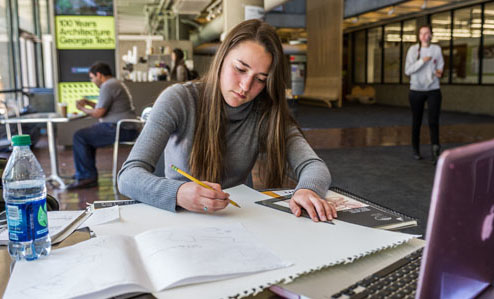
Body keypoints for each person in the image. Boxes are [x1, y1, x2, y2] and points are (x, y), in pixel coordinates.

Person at [118, 19, 337, 223]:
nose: (245, 86)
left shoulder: (265, 111)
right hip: (183, 217)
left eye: (260, 79)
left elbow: (313, 165)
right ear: (222, 59)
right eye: (240, 69)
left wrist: (308, 189)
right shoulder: (179, 99)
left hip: (239, 216)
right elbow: (128, 176)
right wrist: (177, 192)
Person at [66, 62, 138, 189]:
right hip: (126, 127)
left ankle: (87, 176)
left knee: (80, 136)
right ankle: (85, 174)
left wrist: (81, 108)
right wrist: (88, 103)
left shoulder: (108, 86)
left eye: (92, 78)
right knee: (87, 136)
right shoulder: (114, 83)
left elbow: (99, 113)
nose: (92, 81)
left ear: (99, 75)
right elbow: (103, 107)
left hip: (120, 128)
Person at [404, 25, 444, 163]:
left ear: (431, 35)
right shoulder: (413, 50)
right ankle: (416, 149)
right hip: (416, 91)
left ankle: (435, 150)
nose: (424, 35)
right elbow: (408, 71)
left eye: (427, 33)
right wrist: (422, 61)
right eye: (421, 33)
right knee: (417, 121)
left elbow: (440, 67)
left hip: (433, 89)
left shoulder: (436, 49)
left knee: (433, 121)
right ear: (419, 36)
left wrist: (439, 72)